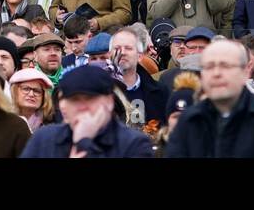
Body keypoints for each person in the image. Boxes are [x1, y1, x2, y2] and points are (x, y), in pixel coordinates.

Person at [20, 63, 154, 157]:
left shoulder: (134, 143)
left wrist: (84, 142)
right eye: (74, 100)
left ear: (109, 101)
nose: (82, 107)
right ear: (63, 106)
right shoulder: (44, 139)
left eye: (90, 98)